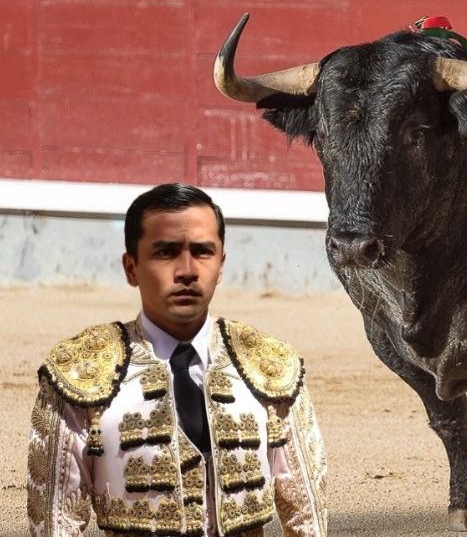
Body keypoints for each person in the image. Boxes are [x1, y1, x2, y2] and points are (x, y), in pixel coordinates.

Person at [26, 184, 327, 536]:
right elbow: (56, 524)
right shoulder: (79, 373)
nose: (187, 270)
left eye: (203, 252)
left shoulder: (269, 367)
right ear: (131, 267)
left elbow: (307, 519)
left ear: (221, 264)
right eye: (166, 252)